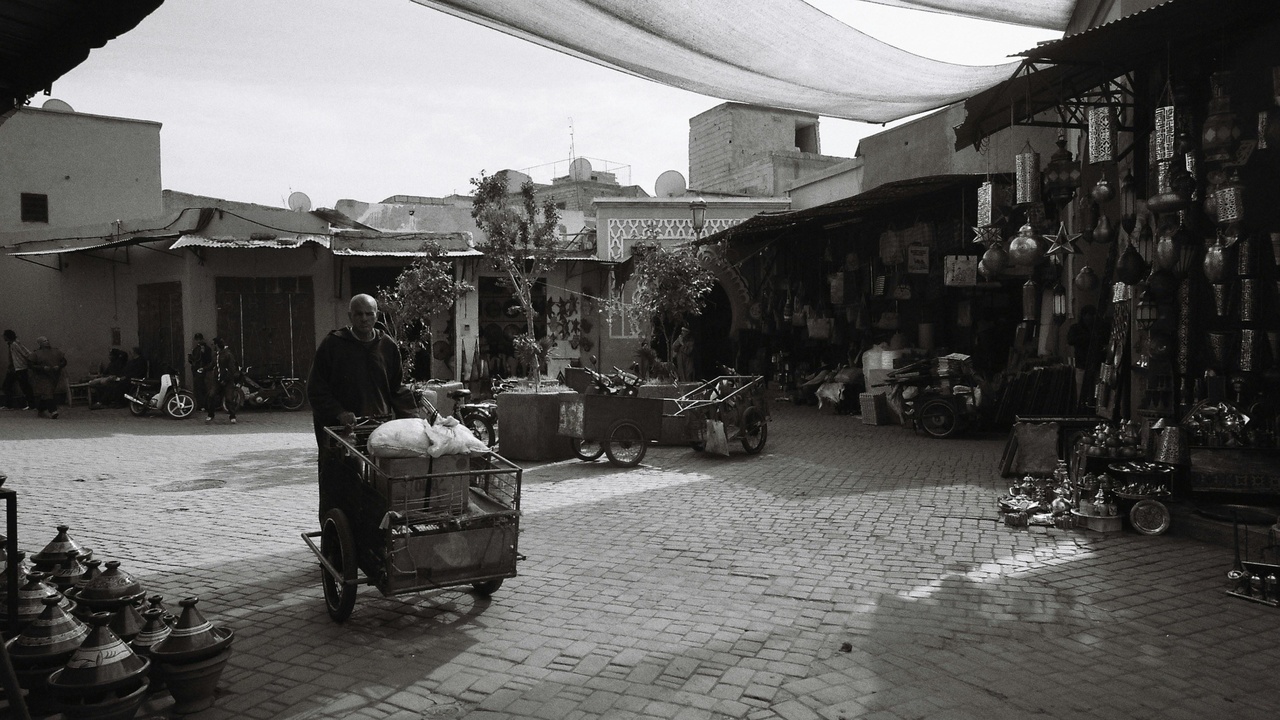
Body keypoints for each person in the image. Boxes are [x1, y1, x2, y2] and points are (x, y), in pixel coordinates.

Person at [308, 294, 418, 536]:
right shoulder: (333, 344)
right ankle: (335, 537)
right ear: (350, 316)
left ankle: (372, 536)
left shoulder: (387, 345)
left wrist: (412, 419)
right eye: (358, 314)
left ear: (377, 315)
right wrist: (339, 413)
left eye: (369, 314)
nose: (364, 319)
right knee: (340, 482)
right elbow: (316, 389)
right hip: (341, 432)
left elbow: (396, 388)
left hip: (377, 428)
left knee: (376, 485)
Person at [28, 336, 67, 419]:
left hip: (54, 375)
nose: (47, 342)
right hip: (42, 376)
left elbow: (64, 361)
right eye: (44, 341)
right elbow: (30, 365)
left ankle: (41, 410)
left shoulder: (56, 351)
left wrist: (59, 366)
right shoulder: (36, 354)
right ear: (40, 343)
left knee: (47, 393)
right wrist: (42, 368)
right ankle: (53, 411)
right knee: (48, 392)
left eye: (47, 340)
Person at [206, 337, 239, 424]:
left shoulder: (228, 354)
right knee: (211, 395)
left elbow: (231, 369)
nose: (212, 346)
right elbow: (212, 365)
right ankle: (210, 414)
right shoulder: (216, 354)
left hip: (227, 381)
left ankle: (232, 416)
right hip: (217, 379)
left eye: (213, 344)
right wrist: (204, 369)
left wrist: (225, 379)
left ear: (217, 345)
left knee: (229, 398)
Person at [3, 329, 34, 410]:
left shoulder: (16, 344)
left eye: (4, 335)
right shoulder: (11, 344)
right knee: (8, 385)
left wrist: (30, 361)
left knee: (24, 386)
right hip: (15, 368)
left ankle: (31, 405)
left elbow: (26, 353)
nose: (3, 337)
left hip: (20, 368)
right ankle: (9, 405)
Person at [188, 333, 214, 411]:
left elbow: (207, 360)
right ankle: (200, 404)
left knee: (202, 388)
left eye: (199, 340)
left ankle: (203, 405)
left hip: (202, 370)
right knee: (199, 388)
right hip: (197, 370)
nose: (198, 341)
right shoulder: (196, 349)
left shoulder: (205, 349)